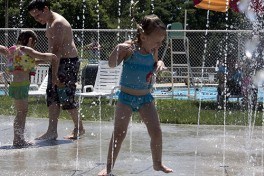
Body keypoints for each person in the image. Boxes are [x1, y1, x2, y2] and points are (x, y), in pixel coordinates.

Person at [98, 14, 173, 176]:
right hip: (126, 98)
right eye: (157, 41)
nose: (159, 45)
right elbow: (111, 64)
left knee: (156, 131)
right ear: (144, 36)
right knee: (119, 133)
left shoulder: (152, 50)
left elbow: (154, 65)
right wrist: (117, 49)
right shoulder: (129, 49)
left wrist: (160, 63)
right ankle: (108, 167)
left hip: (145, 98)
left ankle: (157, 163)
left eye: (161, 41)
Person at [27, 0, 85, 140]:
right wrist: (39, 60)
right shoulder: (49, 22)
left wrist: (54, 76)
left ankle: (79, 128)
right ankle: (52, 131)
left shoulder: (57, 23)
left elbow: (57, 51)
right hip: (58, 61)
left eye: (38, 15)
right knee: (52, 97)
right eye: (34, 17)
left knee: (66, 98)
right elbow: (52, 52)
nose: (37, 19)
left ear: (45, 9)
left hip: (67, 63)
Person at [0, 30, 59, 147]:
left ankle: (18, 138)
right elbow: (40, 55)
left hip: (17, 86)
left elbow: (31, 61)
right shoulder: (26, 49)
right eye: (34, 43)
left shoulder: (15, 50)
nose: (34, 46)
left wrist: (44, 60)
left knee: (21, 112)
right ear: (30, 40)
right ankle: (18, 140)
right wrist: (52, 56)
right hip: (21, 86)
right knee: (21, 113)